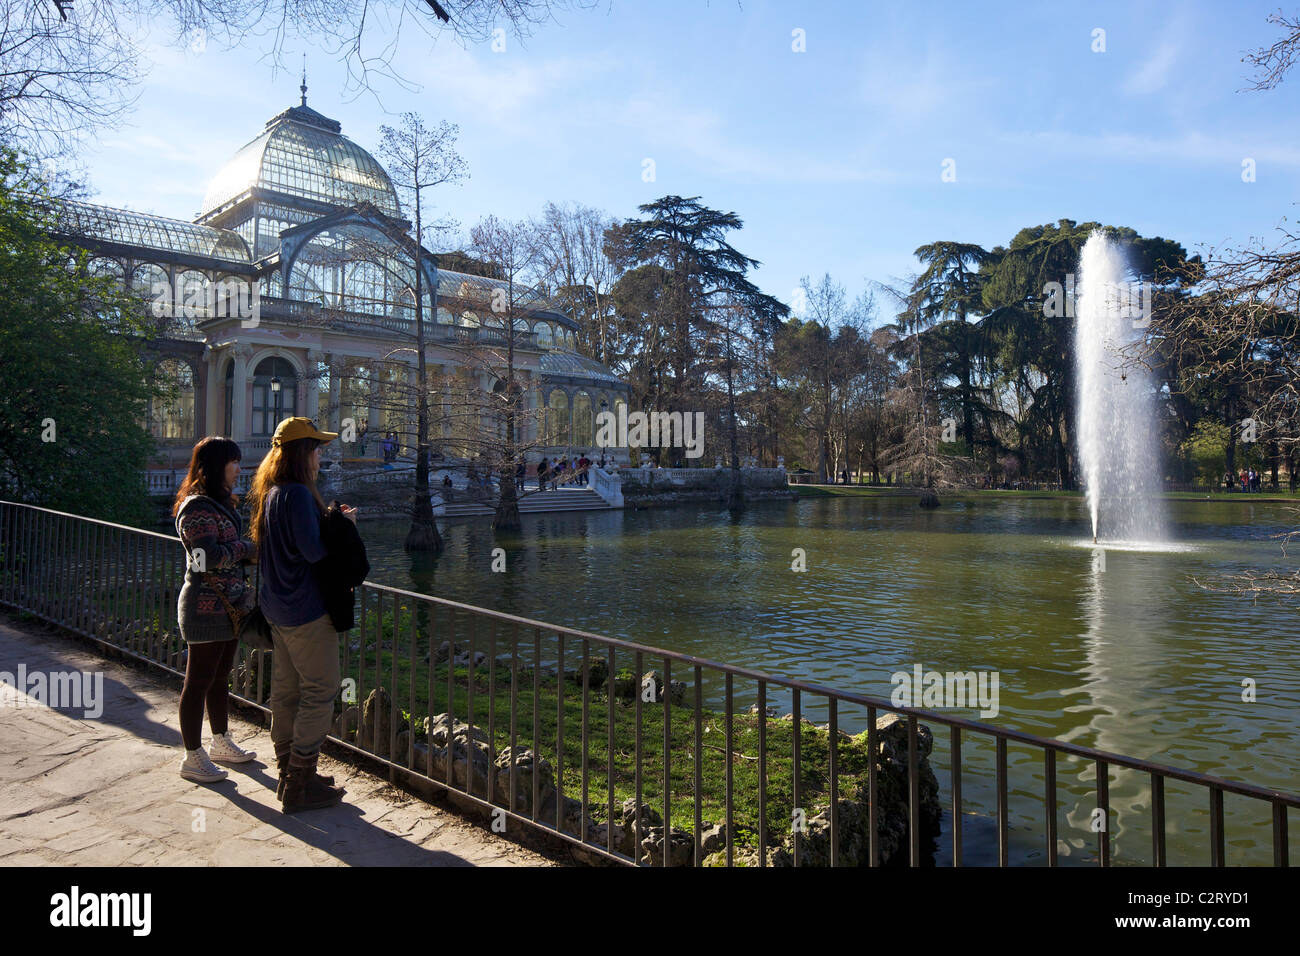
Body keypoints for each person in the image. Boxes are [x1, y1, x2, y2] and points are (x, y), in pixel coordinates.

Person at [248, 417, 351, 814]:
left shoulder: (273, 492)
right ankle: (300, 783)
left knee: (287, 693)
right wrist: (342, 528)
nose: (321, 455)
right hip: (305, 611)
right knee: (320, 691)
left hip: (277, 610)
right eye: (316, 448)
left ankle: (287, 772)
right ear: (302, 454)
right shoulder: (296, 495)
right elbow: (313, 552)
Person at [173, 437, 259, 783]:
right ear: (214, 466)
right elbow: (204, 557)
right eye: (233, 462)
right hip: (204, 607)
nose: (239, 468)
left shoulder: (221, 505)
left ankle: (220, 741)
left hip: (228, 607)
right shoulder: (196, 509)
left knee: (220, 676)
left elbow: (225, 551)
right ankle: (192, 756)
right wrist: (247, 547)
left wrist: (243, 550)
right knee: (198, 681)